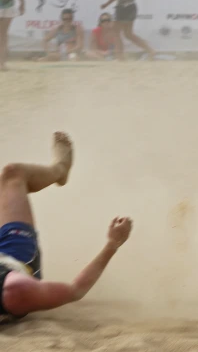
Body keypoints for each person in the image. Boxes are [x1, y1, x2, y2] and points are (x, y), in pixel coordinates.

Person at [0, 132, 132, 323]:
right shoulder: (17, 291)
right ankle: (60, 169)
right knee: (13, 173)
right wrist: (112, 244)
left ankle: (58, 171)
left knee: (10, 174)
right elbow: (76, 290)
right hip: (16, 254)